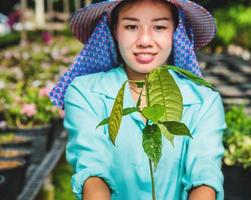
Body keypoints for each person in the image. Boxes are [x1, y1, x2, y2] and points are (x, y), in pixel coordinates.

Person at [49, 0, 226, 199]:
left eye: (159, 27)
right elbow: (92, 168)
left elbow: (204, 175)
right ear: (114, 30)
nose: (144, 40)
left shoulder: (203, 101)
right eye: (131, 26)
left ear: (175, 32)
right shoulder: (85, 92)